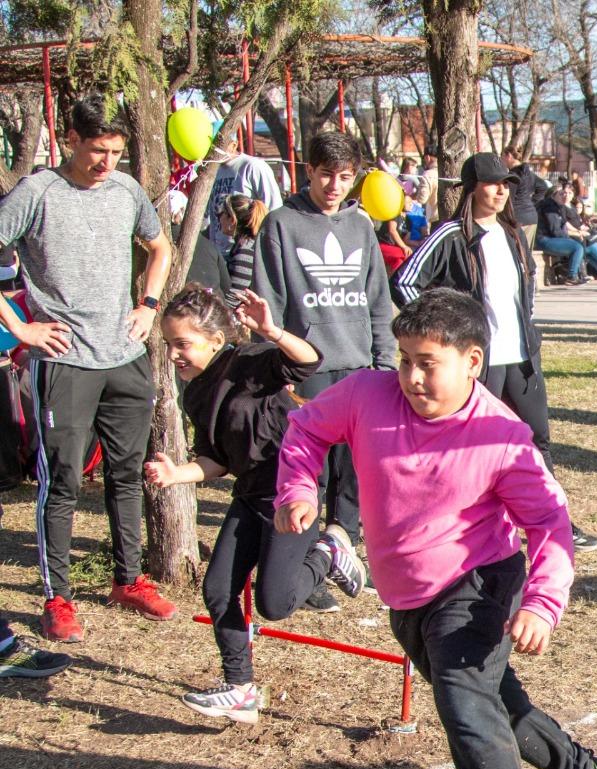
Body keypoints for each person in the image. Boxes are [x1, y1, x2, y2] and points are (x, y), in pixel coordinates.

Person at [274, 288, 597, 769]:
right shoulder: (364, 394)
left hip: (479, 583)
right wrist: (297, 488)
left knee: (464, 705)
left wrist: (542, 604)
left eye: (427, 362)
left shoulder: (502, 437)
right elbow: (304, 428)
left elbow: (551, 524)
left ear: (472, 362)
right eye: (405, 358)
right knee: (492, 706)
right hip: (407, 593)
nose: (410, 376)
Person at [0, 95, 177, 642]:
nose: (107, 163)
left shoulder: (125, 191)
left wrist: (147, 306)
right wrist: (23, 329)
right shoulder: (37, 193)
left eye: (117, 153)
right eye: (98, 150)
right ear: (71, 139)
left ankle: (129, 579)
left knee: (127, 475)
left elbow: (160, 247)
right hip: (65, 362)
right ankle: (58, 597)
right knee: (64, 481)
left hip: (124, 358)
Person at [144, 285, 365, 718]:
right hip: (249, 493)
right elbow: (216, 461)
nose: (174, 355)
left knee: (275, 603)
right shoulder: (194, 393)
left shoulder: (247, 363)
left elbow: (308, 361)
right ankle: (239, 687)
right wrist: (176, 474)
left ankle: (330, 552)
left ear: (214, 339)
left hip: (292, 491)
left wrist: (271, 331)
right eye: (169, 345)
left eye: (182, 345)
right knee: (217, 590)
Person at [392, 153, 597, 553]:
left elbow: (526, 295)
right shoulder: (451, 234)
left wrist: (531, 331)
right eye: (493, 183)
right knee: (471, 445)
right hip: (477, 364)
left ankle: (556, 522)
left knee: (536, 439)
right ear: (472, 187)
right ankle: (458, 530)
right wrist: (441, 337)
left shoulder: (512, 235)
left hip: (521, 359)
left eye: (506, 184)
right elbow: (404, 282)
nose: (501, 191)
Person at [252, 130, 396, 609]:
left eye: (345, 176)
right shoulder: (281, 225)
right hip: (306, 367)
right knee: (305, 474)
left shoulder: (361, 226)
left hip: (359, 365)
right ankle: (305, 567)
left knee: (354, 472)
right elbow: (269, 303)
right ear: (307, 171)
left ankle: (343, 549)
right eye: (326, 174)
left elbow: (378, 300)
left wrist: (383, 361)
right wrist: (280, 368)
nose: (335, 185)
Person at [204, 128, 282, 254]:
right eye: (211, 146)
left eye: (218, 146)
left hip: (247, 251)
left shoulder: (253, 166)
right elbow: (213, 217)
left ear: (234, 144)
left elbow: (274, 207)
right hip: (220, 253)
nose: (214, 151)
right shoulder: (214, 172)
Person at [535, 182, 597, 284]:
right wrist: (573, 235)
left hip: (553, 238)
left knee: (584, 246)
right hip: (545, 240)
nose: (565, 196)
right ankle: (572, 276)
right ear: (553, 195)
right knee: (577, 247)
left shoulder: (558, 206)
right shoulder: (550, 207)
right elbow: (555, 230)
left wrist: (578, 232)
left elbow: (564, 224)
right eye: (561, 194)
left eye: (567, 193)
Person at [221, 195, 268, 303]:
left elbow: (234, 297)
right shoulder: (245, 244)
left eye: (221, 213)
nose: (219, 218)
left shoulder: (244, 250)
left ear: (232, 219)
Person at [503, 143, 548, 250]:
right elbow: (543, 186)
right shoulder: (529, 174)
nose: (501, 160)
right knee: (526, 254)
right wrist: (531, 202)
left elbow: (509, 199)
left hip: (518, 218)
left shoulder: (513, 177)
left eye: (502, 156)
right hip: (531, 217)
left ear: (509, 156)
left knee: (519, 255)